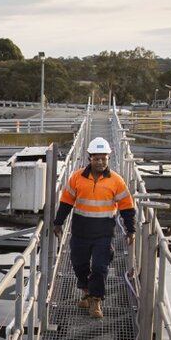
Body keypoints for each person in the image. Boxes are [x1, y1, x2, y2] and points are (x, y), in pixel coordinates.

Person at [51, 137, 136, 319]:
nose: (100, 162)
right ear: (89, 158)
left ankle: (96, 301)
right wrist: (58, 222)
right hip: (80, 231)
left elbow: (127, 207)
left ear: (108, 159)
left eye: (103, 158)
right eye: (96, 158)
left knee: (100, 267)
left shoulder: (116, 181)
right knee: (79, 264)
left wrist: (131, 230)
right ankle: (86, 291)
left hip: (104, 233)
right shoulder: (77, 178)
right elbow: (66, 202)